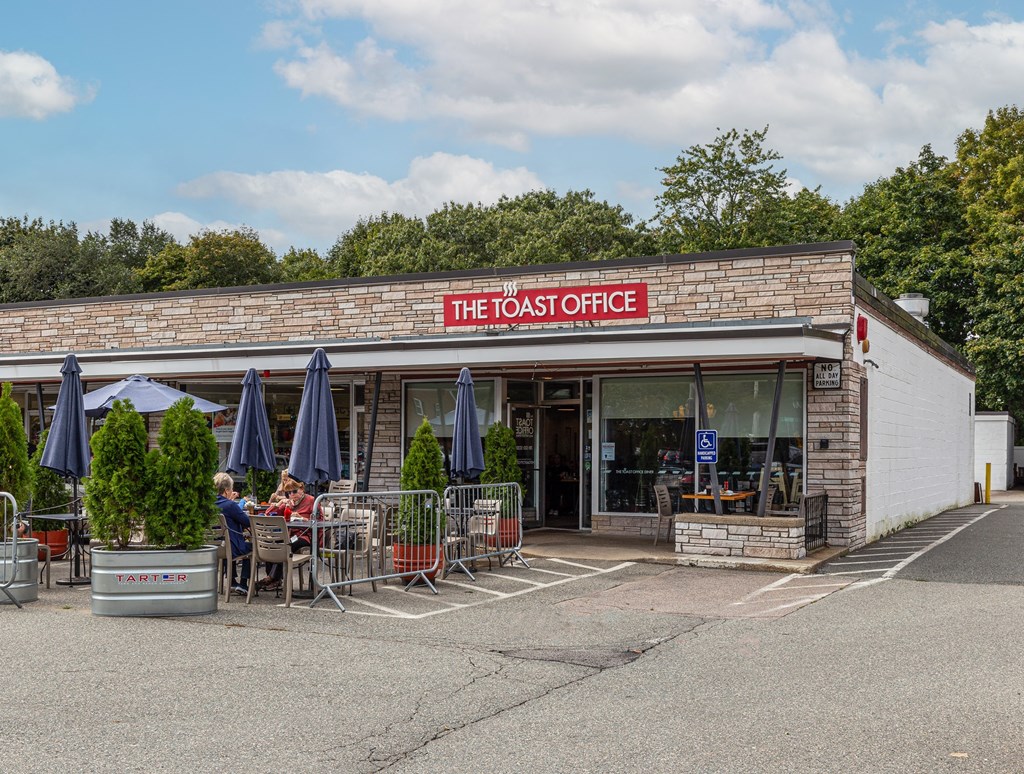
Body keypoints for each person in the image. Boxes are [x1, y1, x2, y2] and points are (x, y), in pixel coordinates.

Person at [259, 477, 315, 589]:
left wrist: (303, 519)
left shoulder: (311, 500)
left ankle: (272, 578)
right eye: (288, 493)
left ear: (302, 488)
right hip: (289, 534)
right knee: (273, 542)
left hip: (305, 535)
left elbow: (320, 520)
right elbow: (268, 514)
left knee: (286, 544)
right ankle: (274, 579)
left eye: (294, 491)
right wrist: (280, 503)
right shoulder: (289, 503)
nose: (291, 495)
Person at [214, 472, 251, 595]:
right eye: (231, 489)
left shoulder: (209, 504)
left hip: (216, 547)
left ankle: (232, 581)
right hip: (231, 547)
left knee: (229, 540)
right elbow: (247, 521)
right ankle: (243, 584)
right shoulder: (230, 505)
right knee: (253, 547)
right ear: (226, 490)